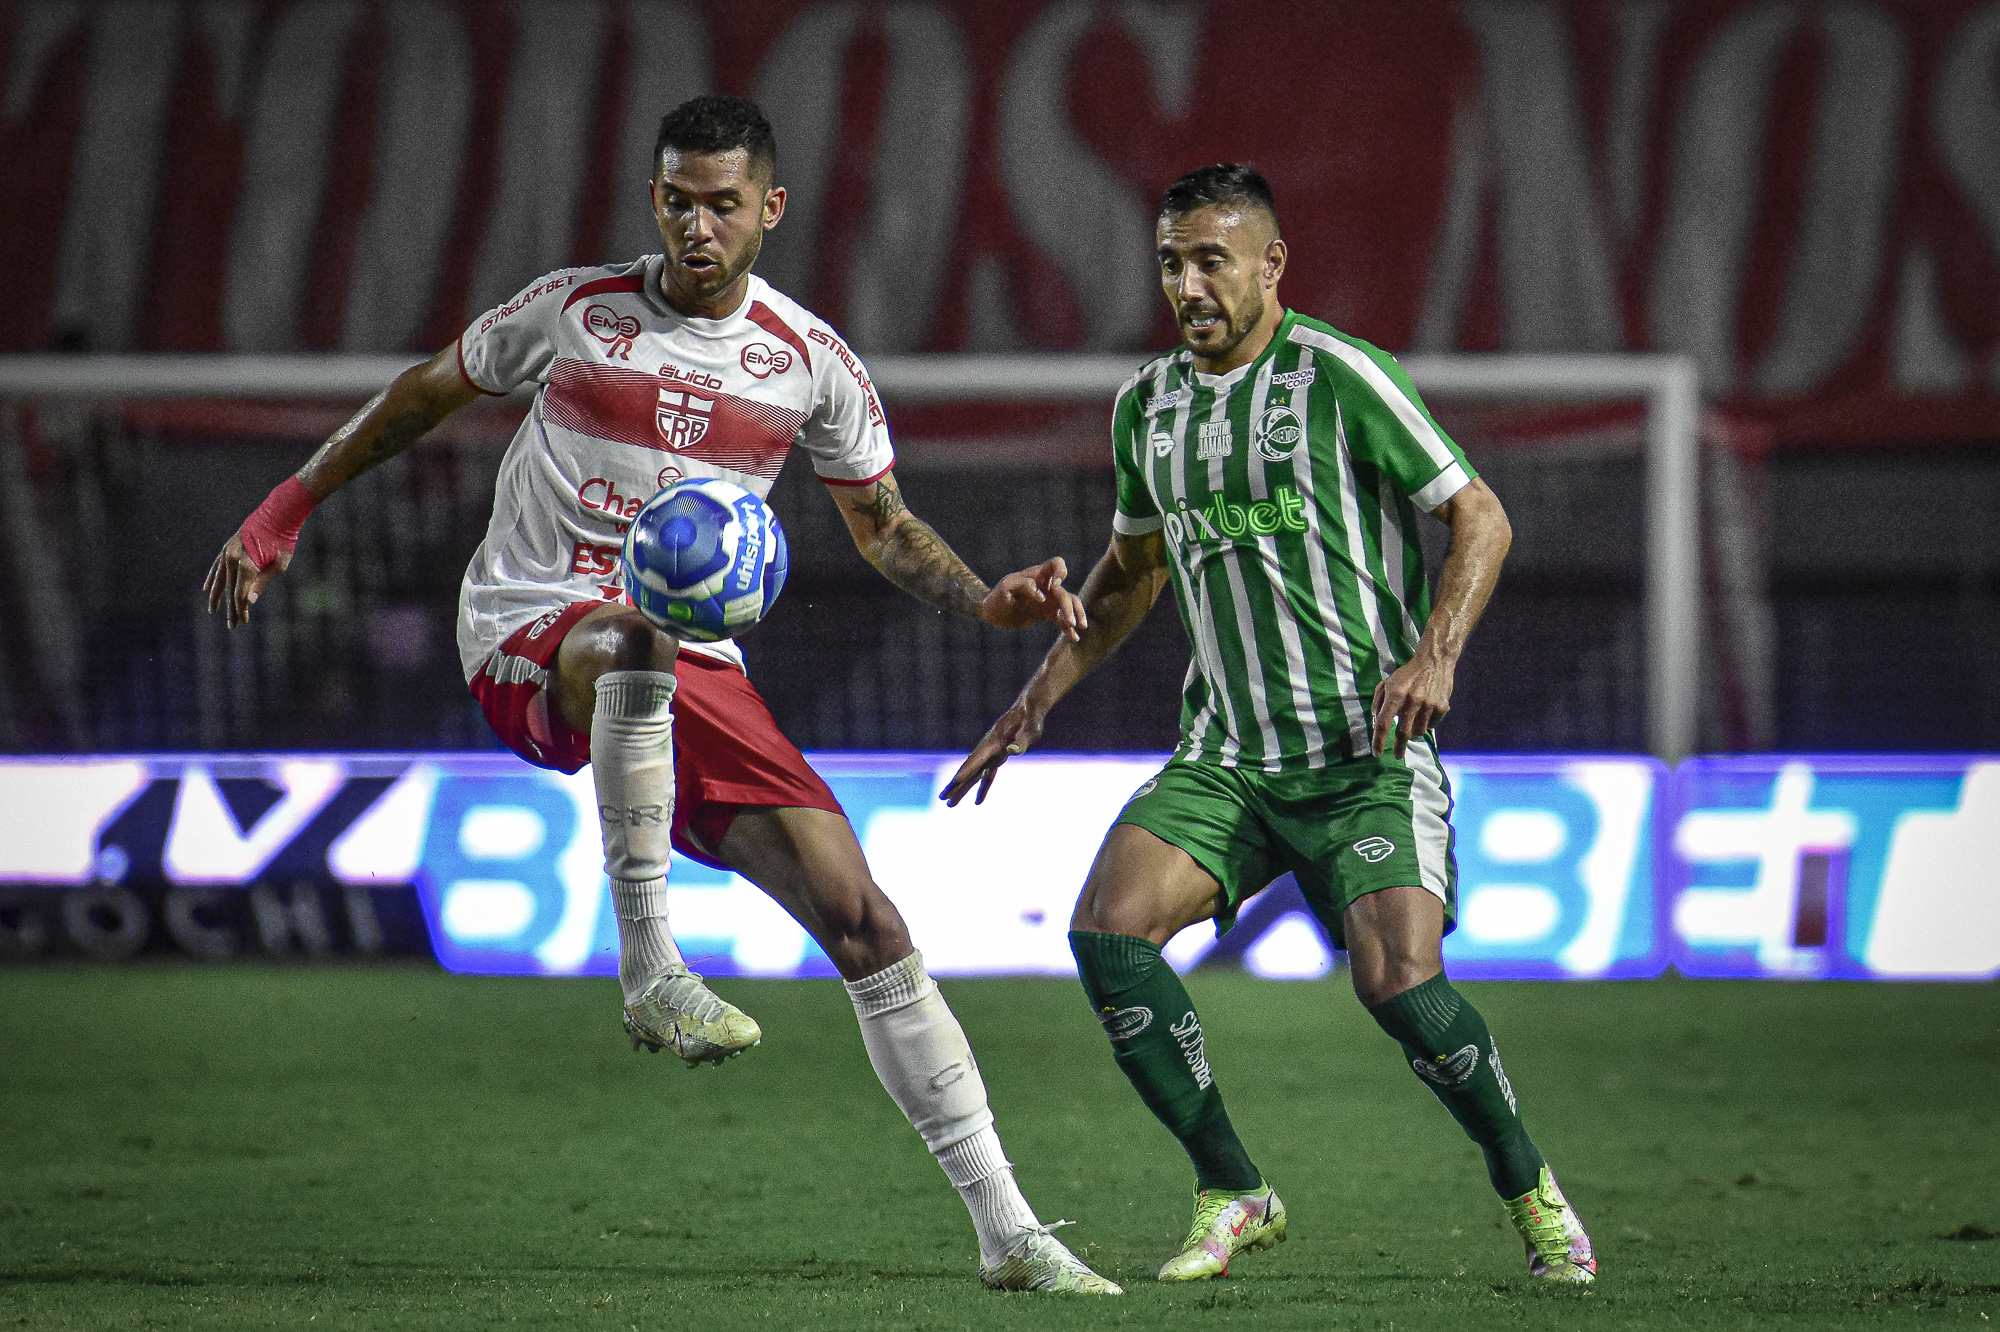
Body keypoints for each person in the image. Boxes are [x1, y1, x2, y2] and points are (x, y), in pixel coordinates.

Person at [205, 95, 1118, 1296]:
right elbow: (425, 392)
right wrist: (285, 511)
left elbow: (885, 526)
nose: (696, 226)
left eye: (721, 206)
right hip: (531, 626)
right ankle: (650, 973)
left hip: (689, 664)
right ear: (653, 198)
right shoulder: (574, 311)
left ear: (769, 210)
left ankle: (1009, 1232)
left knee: (868, 923)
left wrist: (984, 598)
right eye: (677, 201)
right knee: (633, 632)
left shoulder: (808, 362)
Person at [944, 164, 1596, 1286]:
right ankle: (1232, 1186)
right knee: (1108, 934)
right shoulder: (1146, 406)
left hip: (1363, 754)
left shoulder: (1338, 376)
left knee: (1399, 985)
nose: (1188, 285)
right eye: (1171, 263)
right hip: (1229, 759)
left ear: (1269, 264)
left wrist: (1434, 656)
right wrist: (1033, 699)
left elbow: (1479, 515)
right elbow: (1133, 571)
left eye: (1211, 260)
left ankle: (1530, 1190)